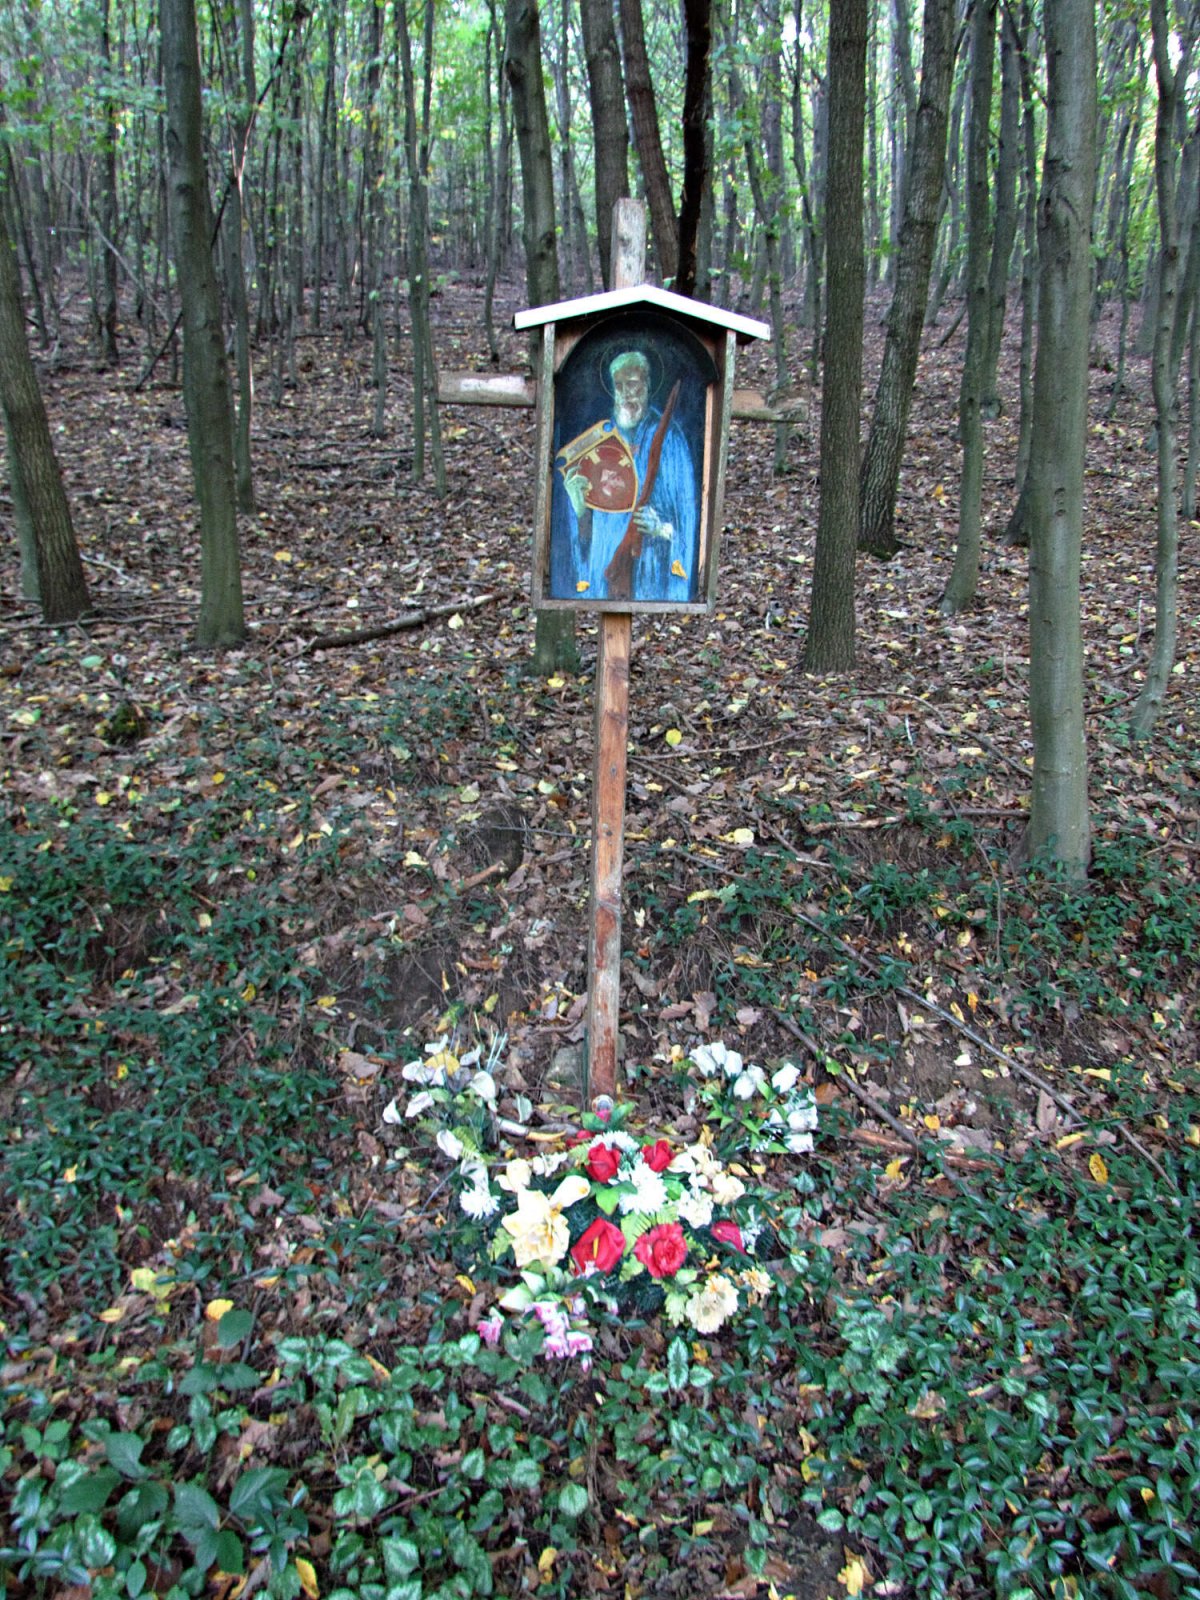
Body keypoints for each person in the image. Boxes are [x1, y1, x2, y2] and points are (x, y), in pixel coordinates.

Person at [552, 350, 698, 603]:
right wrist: (580, 509)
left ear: (648, 385)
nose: (626, 394)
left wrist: (661, 528)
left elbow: (686, 516)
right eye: (619, 386)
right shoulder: (600, 441)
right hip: (606, 566)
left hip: (652, 570)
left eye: (632, 384)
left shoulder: (670, 439)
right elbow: (585, 534)